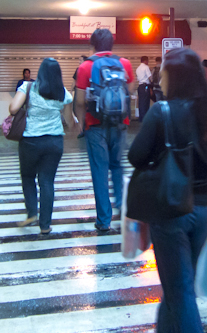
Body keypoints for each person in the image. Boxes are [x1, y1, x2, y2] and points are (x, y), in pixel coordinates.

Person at [128, 47, 207, 333]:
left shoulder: (161, 112)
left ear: (174, 79)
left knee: (180, 290)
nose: (159, 81)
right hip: (205, 211)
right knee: (179, 285)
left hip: (171, 208)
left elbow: (136, 156)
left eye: (162, 75)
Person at [74, 28, 134, 232]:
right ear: (112, 45)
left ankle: (103, 220)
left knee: (100, 170)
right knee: (117, 166)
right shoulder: (124, 63)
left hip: (95, 125)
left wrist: (81, 123)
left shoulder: (85, 67)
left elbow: (80, 101)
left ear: (92, 45)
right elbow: (130, 91)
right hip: (120, 124)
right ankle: (123, 210)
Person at [10, 58, 75, 235]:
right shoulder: (64, 93)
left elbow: (13, 109)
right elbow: (69, 121)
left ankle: (32, 213)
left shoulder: (28, 87)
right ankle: (45, 225)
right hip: (54, 142)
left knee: (28, 176)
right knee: (47, 181)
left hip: (31, 141)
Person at [136, 56, 152, 121]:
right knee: (145, 102)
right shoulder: (146, 67)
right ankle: (145, 118)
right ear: (145, 61)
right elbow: (150, 77)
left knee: (141, 102)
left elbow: (138, 78)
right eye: (147, 61)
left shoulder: (137, 68)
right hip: (145, 86)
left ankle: (141, 118)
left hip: (140, 86)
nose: (148, 62)